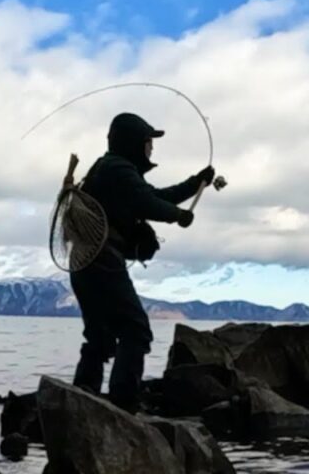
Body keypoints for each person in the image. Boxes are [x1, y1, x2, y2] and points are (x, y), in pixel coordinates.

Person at [70, 112, 215, 412]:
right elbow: (148, 203)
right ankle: (123, 406)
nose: (152, 148)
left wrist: (196, 183)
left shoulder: (108, 168)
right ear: (135, 142)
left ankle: (81, 402)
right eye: (149, 141)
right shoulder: (118, 169)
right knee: (136, 330)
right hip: (103, 261)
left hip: (83, 261)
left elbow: (154, 195)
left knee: (99, 336)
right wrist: (179, 217)